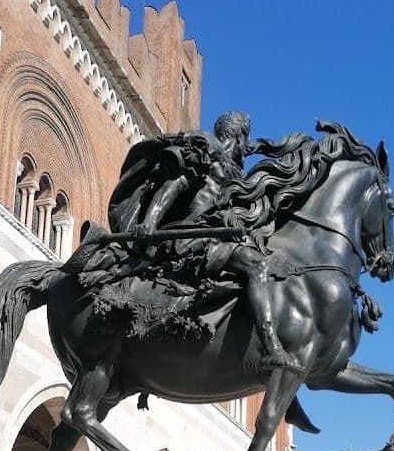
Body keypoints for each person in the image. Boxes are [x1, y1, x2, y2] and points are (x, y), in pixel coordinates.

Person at [80, 111, 300, 371]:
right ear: (240, 137)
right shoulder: (208, 150)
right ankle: (271, 348)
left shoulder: (236, 173)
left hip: (218, 240)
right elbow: (175, 185)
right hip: (192, 239)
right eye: (245, 140)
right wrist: (149, 222)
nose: (246, 148)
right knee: (255, 265)